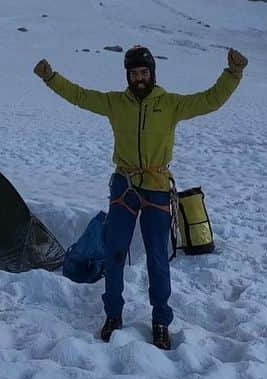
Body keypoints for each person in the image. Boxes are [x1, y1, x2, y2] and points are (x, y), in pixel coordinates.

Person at [33, 44, 247, 350]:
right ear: (127, 76)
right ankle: (113, 316)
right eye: (133, 73)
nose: (139, 78)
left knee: (158, 258)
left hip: (157, 186)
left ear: (152, 73)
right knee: (115, 253)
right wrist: (50, 77)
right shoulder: (115, 103)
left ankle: (161, 321)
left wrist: (233, 74)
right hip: (124, 186)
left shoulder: (170, 104)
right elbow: (79, 96)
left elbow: (210, 100)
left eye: (143, 72)